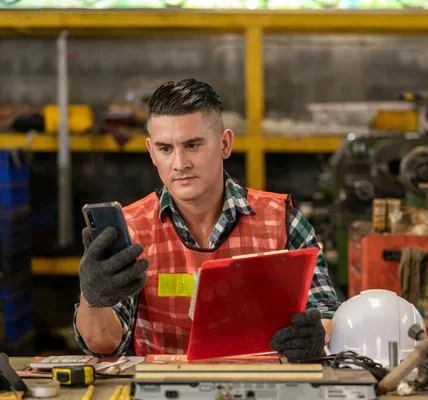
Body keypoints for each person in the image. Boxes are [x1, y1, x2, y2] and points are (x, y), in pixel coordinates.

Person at [73, 78, 342, 361]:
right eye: (166, 148)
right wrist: (93, 298)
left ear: (225, 144)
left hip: (261, 385)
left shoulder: (282, 220)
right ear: (152, 152)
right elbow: (104, 346)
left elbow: (326, 308)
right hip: (163, 389)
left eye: (193, 145)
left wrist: (318, 333)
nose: (180, 163)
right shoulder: (131, 230)